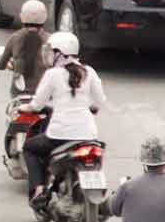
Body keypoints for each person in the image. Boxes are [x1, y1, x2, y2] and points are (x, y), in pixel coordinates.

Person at [23, 30, 106, 192]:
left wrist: (25, 108)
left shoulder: (52, 74)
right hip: (88, 134)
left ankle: (39, 189)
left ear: (59, 53)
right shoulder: (89, 71)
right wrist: (92, 108)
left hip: (59, 135)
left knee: (30, 148)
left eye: (51, 51)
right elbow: (100, 101)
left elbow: (37, 105)